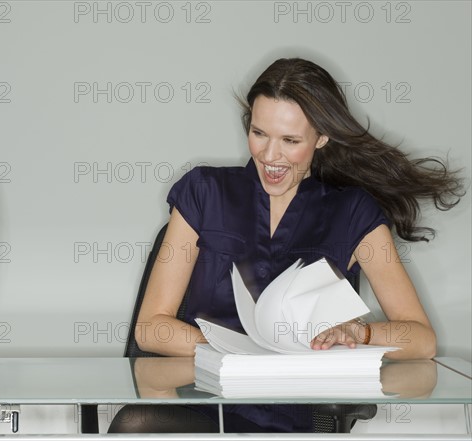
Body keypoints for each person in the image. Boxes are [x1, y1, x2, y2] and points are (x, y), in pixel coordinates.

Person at [108, 57, 464, 433]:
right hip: (201, 397)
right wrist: (239, 352)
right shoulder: (203, 192)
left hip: (295, 411)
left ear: (321, 138)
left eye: (290, 141)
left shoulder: (351, 211)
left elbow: (421, 339)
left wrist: (360, 334)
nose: (269, 156)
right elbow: (150, 329)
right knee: (138, 424)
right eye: (259, 133)